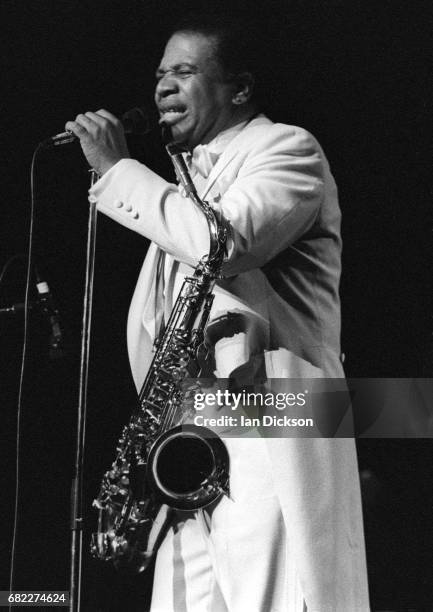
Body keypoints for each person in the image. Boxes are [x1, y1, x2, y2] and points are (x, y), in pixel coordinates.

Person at [66, 13, 370, 612]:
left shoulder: (288, 149)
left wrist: (118, 171)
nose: (162, 88)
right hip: (194, 439)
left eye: (183, 71)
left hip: (270, 422)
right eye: (159, 75)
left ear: (241, 88)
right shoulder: (185, 187)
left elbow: (221, 246)